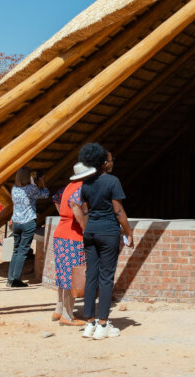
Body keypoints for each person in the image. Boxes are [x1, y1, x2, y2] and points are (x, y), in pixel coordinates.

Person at [79, 144, 134, 340]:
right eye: (110, 160)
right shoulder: (112, 181)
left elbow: (85, 211)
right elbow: (118, 211)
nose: (112, 163)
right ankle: (103, 324)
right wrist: (129, 232)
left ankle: (89, 323)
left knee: (91, 276)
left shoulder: (85, 184)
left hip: (91, 232)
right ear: (103, 163)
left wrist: (88, 231)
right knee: (106, 277)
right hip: (108, 232)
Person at [50, 161, 94, 326]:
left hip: (60, 234)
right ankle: (68, 316)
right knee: (71, 276)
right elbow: (75, 206)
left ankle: (59, 309)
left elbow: (56, 199)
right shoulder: (81, 188)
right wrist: (84, 228)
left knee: (63, 274)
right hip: (72, 236)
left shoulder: (68, 186)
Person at [7, 166, 49, 287]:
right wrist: (42, 182)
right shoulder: (31, 188)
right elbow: (45, 195)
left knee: (16, 250)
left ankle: (10, 278)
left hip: (16, 222)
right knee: (23, 251)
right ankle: (16, 279)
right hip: (28, 222)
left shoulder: (14, 189)